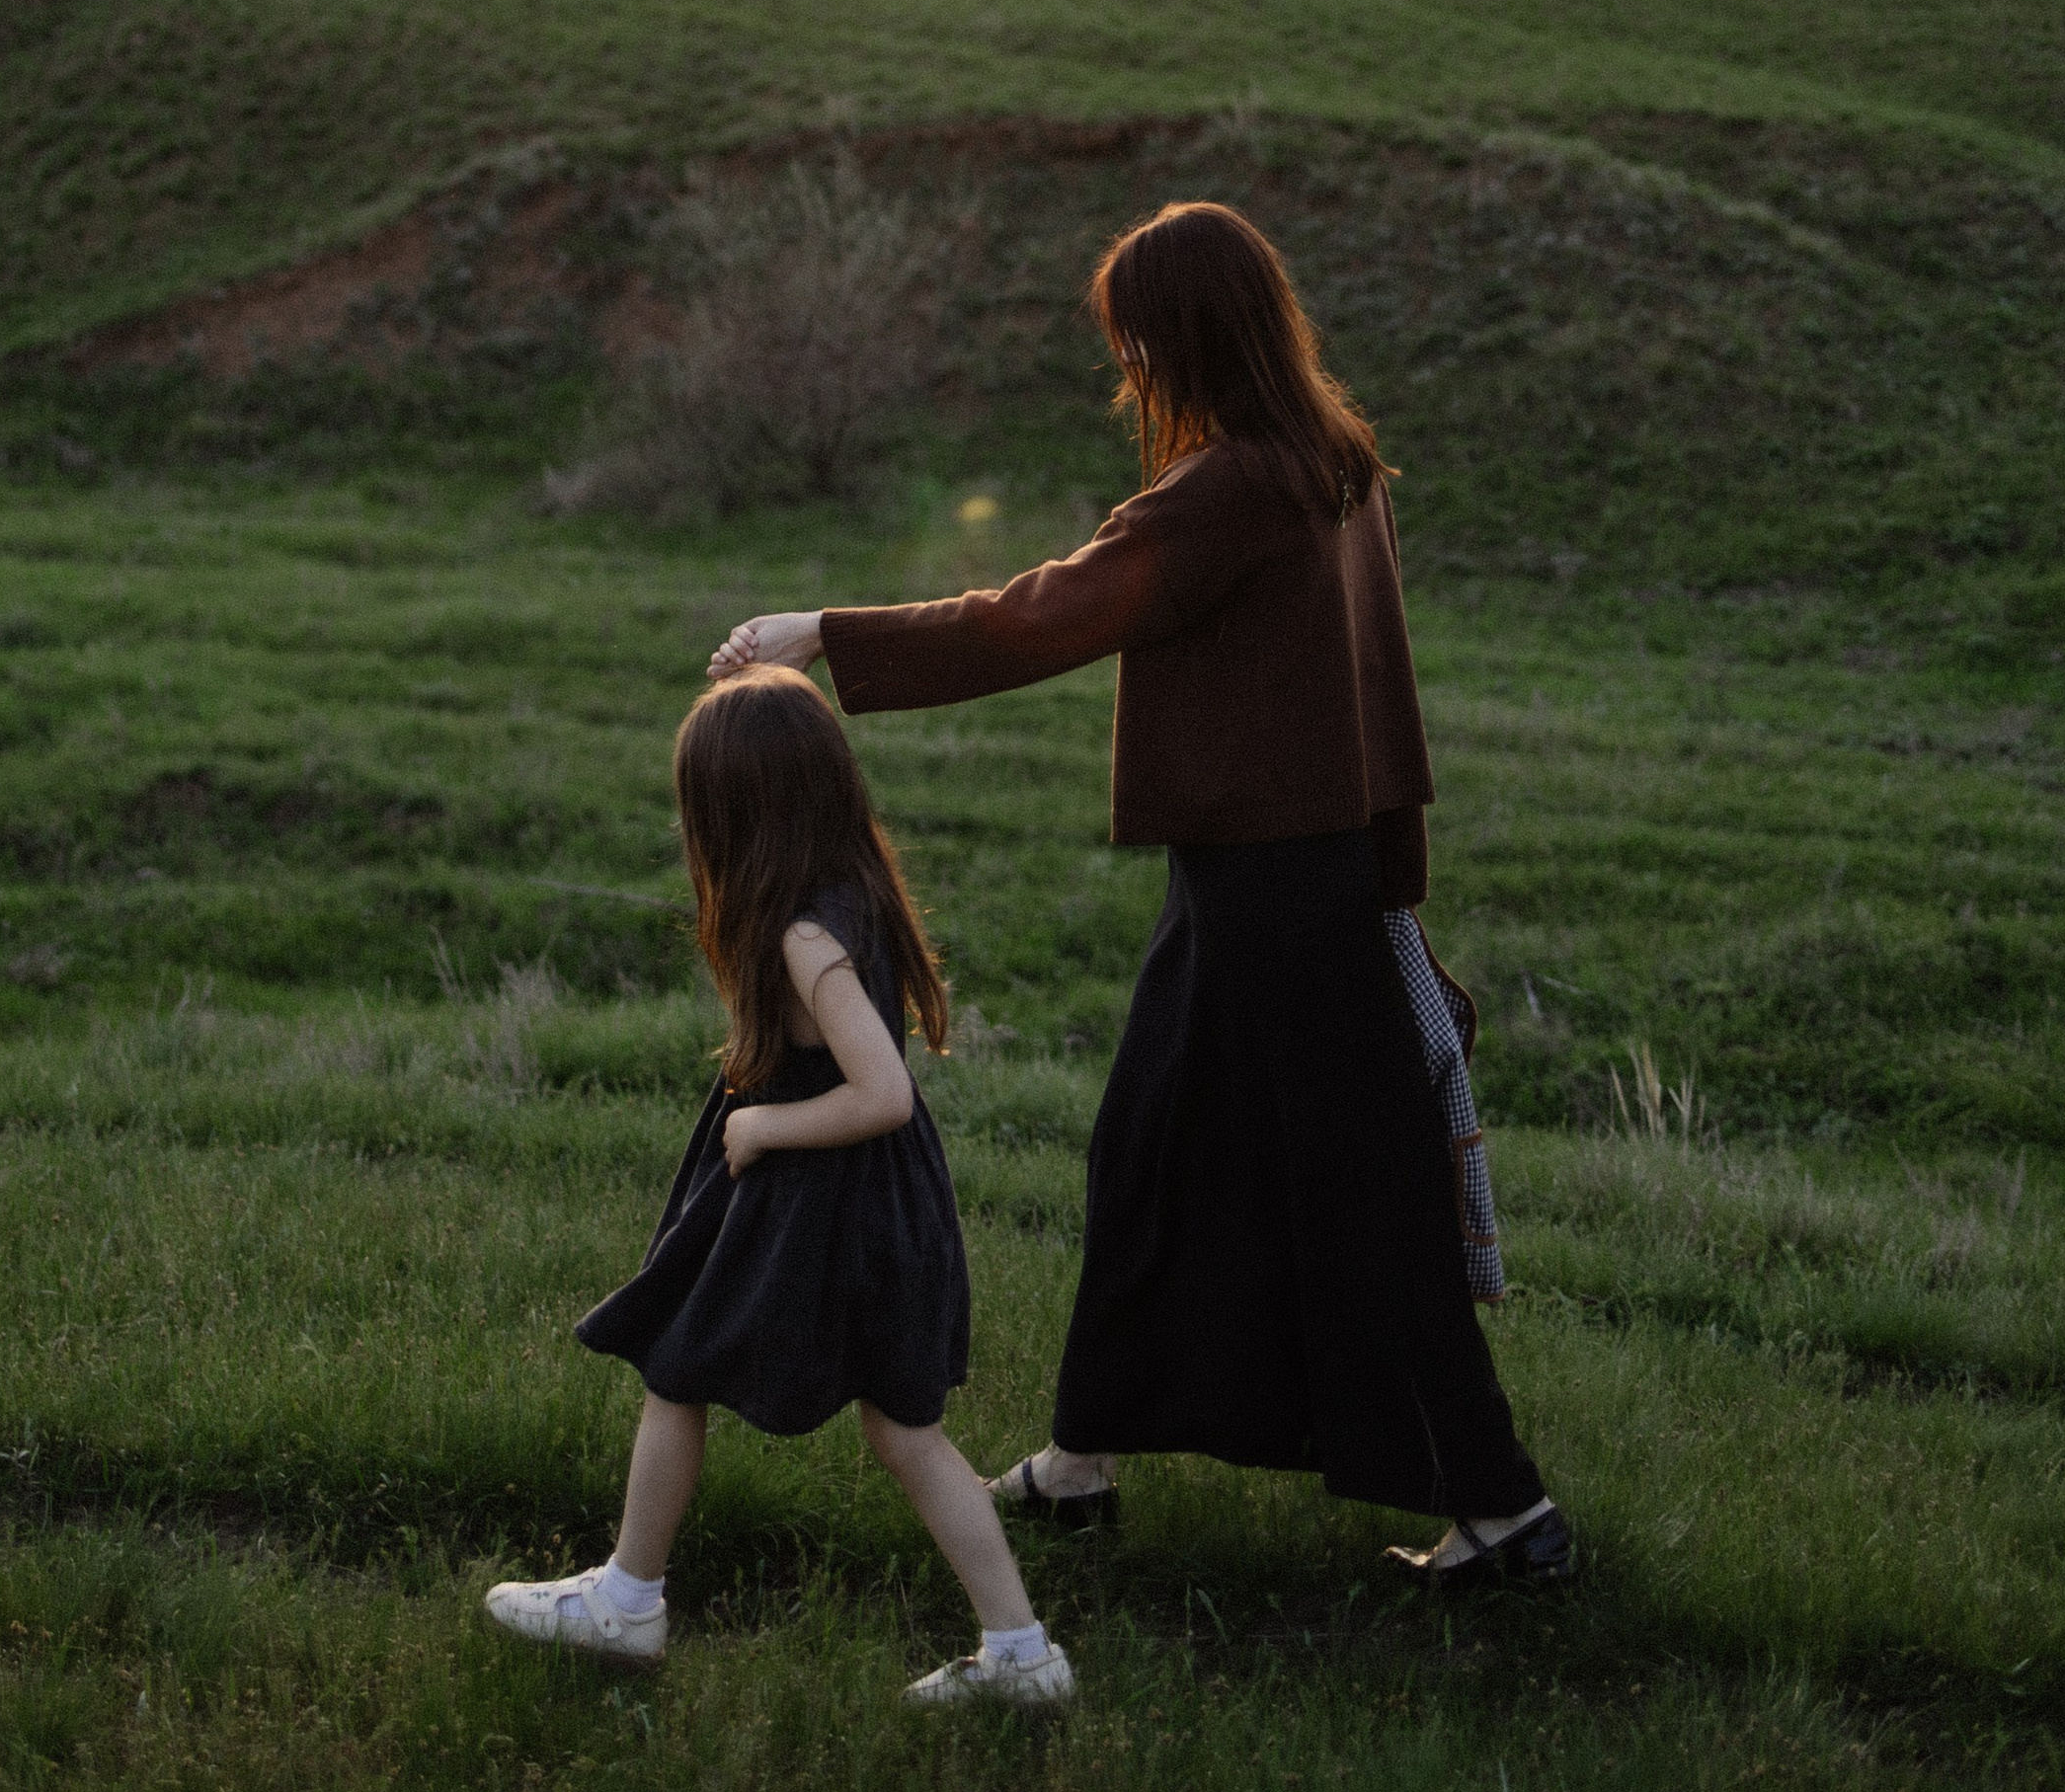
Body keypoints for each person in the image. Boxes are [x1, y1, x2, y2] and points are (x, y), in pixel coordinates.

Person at [710, 197, 1572, 1593]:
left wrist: (827, 635)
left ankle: (1506, 1516)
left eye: (1136, 344)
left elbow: (1040, 613)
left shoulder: (1233, 489)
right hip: (1280, 879)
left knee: (1356, 1205)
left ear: (1184, 339)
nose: (1130, 374)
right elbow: (1378, 694)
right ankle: (1084, 1456)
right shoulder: (1328, 460)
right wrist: (1386, 879)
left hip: (1276, 896)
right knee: (1151, 1156)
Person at [484, 665, 1077, 1706]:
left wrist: (762, 1125)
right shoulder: (850, 889)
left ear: (737, 815)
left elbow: (883, 1091)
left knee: (681, 1365)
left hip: (825, 1196)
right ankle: (1022, 1655)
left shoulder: (807, 934)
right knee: (899, 1427)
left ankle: (628, 1602)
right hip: (862, 1201)